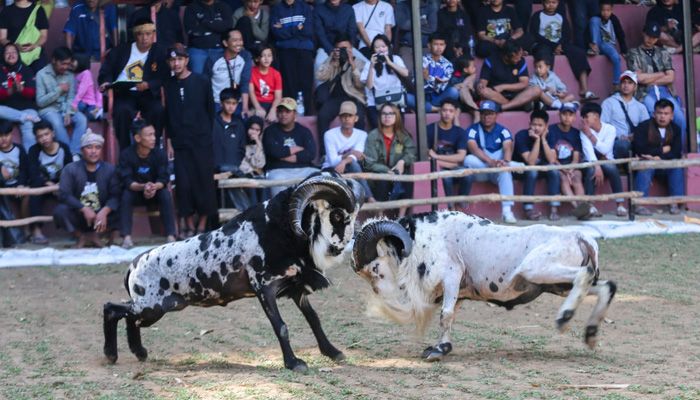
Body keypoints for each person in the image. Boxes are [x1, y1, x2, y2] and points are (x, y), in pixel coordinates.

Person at [164, 43, 217, 237]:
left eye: (179, 59)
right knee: (184, 185)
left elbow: (210, 111)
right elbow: (168, 116)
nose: (176, 63)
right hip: (180, 143)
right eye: (172, 60)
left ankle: (202, 226)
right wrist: (170, 140)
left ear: (186, 60)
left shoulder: (201, 81)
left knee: (203, 182)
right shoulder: (168, 85)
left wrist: (205, 136)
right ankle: (187, 225)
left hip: (201, 142)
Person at [98, 17, 168, 150]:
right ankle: (125, 149)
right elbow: (106, 69)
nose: (144, 38)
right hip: (125, 93)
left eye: (148, 34)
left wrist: (149, 84)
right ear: (135, 35)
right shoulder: (121, 50)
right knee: (122, 111)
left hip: (148, 93)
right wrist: (105, 81)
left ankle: (154, 146)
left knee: (157, 110)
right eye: (140, 34)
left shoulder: (159, 51)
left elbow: (163, 76)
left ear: (153, 35)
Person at [53, 131, 121, 248]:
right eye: (89, 147)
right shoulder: (70, 169)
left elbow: (116, 195)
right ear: (82, 150)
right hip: (79, 215)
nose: (93, 151)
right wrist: (84, 209)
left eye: (97, 147)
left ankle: (100, 236)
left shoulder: (110, 170)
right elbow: (64, 194)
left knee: (123, 202)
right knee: (60, 211)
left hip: (102, 215)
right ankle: (81, 236)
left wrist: (104, 211)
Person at [118, 119, 176, 249]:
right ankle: (126, 237)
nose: (153, 138)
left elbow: (164, 178)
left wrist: (154, 186)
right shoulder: (126, 155)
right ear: (138, 138)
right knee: (126, 196)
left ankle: (171, 235)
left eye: (154, 134)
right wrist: (143, 186)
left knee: (165, 195)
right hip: (136, 192)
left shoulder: (159, 154)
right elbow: (127, 181)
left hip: (155, 191)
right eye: (149, 135)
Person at [626, 21, 686, 143]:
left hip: (665, 91)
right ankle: (657, 150)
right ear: (643, 33)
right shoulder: (633, 53)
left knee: (680, 117)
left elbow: (670, 77)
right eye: (648, 35)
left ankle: (679, 151)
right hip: (644, 93)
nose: (650, 39)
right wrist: (660, 74)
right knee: (653, 115)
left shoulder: (663, 52)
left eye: (654, 37)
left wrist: (649, 79)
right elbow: (638, 78)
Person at [529, 0, 597, 102]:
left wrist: (559, 45)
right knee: (544, 54)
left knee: (579, 53)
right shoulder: (538, 15)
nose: (551, 5)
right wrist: (553, 45)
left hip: (560, 44)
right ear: (543, 3)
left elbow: (567, 34)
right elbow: (534, 35)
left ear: (558, 3)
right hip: (543, 44)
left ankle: (584, 89)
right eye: (548, 2)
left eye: (554, 2)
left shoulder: (560, 17)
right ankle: (546, 91)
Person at [464, 100, 517, 223]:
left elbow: (508, 147)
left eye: (490, 114)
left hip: (497, 170)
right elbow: (473, 147)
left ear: (496, 115)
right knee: (469, 159)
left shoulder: (503, 130)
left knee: (505, 170)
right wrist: (490, 161)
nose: (486, 117)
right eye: (484, 114)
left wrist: (505, 161)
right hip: (482, 169)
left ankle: (507, 211)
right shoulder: (473, 129)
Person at [363, 103, 416, 217]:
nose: (387, 117)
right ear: (380, 116)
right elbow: (369, 162)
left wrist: (402, 161)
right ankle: (380, 215)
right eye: (384, 114)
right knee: (382, 181)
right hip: (379, 176)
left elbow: (412, 154)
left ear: (396, 116)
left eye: (391, 114)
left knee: (408, 179)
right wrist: (386, 171)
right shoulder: (373, 136)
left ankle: (401, 218)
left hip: (398, 176)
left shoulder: (403, 135)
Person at [632, 99, 684, 216]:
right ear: (654, 114)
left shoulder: (676, 129)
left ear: (672, 116)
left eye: (666, 114)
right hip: (647, 163)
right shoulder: (643, 127)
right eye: (659, 113)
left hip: (665, 164)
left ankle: (674, 203)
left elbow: (676, 152)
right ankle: (640, 204)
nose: (662, 117)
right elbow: (640, 149)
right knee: (646, 166)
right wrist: (661, 150)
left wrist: (659, 158)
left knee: (676, 166)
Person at [26, 119, 72, 244]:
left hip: (61, 184)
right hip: (43, 184)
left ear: (53, 133)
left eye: (46, 134)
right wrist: (48, 184)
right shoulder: (34, 151)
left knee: (74, 191)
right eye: (40, 136)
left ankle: (76, 230)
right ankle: (36, 231)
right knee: (34, 190)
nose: (44, 139)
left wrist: (60, 184)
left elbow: (70, 170)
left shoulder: (64, 148)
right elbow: (33, 173)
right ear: (36, 139)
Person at [315, 34, 366, 146]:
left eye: (346, 49)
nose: (344, 51)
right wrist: (332, 61)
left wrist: (353, 66)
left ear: (351, 49)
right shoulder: (333, 60)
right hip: (335, 99)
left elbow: (360, 85)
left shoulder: (359, 63)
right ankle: (325, 154)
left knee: (360, 118)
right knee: (322, 116)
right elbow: (320, 76)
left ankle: (359, 152)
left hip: (353, 98)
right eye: (340, 49)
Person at [35, 46, 87, 157]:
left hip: (65, 108)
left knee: (82, 119)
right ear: (54, 60)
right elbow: (40, 102)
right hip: (48, 110)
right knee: (57, 123)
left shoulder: (69, 74)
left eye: (68, 64)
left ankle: (75, 153)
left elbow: (71, 97)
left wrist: (68, 112)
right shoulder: (41, 74)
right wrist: (59, 90)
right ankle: (68, 155)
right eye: (63, 63)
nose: (66, 67)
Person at [549, 102, 597, 219]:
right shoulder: (552, 130)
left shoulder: (576, 133)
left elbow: (576, 158)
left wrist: (571, 169)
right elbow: (553, 157)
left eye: (570, 115)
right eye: (564, 114)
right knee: (564, 179)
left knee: (576, 177)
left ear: (575, 117)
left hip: (572, 165)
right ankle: (577, 208)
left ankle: (582, 205)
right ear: (559, 115)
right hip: (557, 164)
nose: (567, 117)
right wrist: (564, 170)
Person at [263, 97, 319, 196]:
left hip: (303, 169)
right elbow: (273, 152)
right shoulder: (270, 131)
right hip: (278, 171)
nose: (283, 115)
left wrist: (282, 155)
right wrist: (297, 149)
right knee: (276, 180)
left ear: (295, 114)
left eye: (287, 111)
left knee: (319, 175)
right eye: (280, 111)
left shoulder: (304, 131)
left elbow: (311, 154)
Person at [579, 102, 627, 217]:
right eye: (583, 117)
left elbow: (605, 150)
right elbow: (589, 152)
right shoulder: (583, 132)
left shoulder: (610, 129)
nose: (584, 120)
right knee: (591, 171)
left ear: (596, 116)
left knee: (611, 168)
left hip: (607, 161)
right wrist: (596, 166)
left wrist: (590, 134)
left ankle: (620, 205)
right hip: (590, 162)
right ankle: (590, 206)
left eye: (587, 116)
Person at [513, 110, 561, 221]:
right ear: (529, 124)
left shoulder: (550, 135)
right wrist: (537, 140)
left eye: (540, 125)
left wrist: (543, 139)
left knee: (553, 169)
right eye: (534, 124)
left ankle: (554, 209)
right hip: (521, 169)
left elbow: (552, 159)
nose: (537, 128)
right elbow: (530, 161)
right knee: (532, 170)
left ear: (546, 126)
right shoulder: (521, 135)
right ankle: (528, 209)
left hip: (540, 168)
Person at [322, 101, 374, 202]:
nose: (346, 119)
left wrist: (344, 160)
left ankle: (368, 198)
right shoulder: (329, 134)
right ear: (339, 118)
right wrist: (350, 153)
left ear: (356, 118)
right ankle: (370, 198)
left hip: (352, 168)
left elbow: (357, 155)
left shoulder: (362, 134)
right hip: (332, 169)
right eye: (343, 116)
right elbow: (332, 162)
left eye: (350, 116)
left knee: (354, 164)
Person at [270, 0, 314, 114]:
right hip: (286, 50)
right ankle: (290, 113)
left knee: (306, 84)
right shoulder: (276, 9)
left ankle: (308, 112)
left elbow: (308, 31)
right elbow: (277, 33)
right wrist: (297, 28)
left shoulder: (305, 7)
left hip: (304, 48)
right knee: (289, 83)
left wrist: (285, 28)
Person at [427, 98, 471, 211]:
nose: (447, 114)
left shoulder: (460, 132)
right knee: (446, 178)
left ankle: (461, 201)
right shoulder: (430, 129)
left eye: (451, 111)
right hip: (437, 168)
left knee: (468, 174)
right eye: (445, 110)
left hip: (449, 165)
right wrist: (450, 163)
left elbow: (461, 157)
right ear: (439, 111)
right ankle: (450, 207)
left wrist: (437, 157)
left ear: (456, 113)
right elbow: (427, 157)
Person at [212, 87, 251, 210]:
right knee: (216, 205)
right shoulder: (212, 121)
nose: (231, 107)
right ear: (221, 103)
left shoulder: (239, 124)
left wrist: (234, 166)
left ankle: (247, 215)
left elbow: (241, 148)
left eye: (234, 103)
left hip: (233, 170)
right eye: (228, 103)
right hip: (214, 171)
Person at [361, 34, 410, 130]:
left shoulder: (396, 59)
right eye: (377, 47)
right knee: (378, 130)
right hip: (376, 103)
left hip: (395, 101)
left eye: (383, 46)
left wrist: (390, 63)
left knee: (399, 129)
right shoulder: (368, 64)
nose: (381, 50)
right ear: (373, 50)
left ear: (389, 47)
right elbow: (369, 86)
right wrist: (371, 66)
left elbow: (405, 73)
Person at [477, 40, 542, 112]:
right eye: (517, 56)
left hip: (517, 95)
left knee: (536, 90)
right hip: (497, 96)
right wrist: (481, 85)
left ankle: (504, 107)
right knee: (484, 91)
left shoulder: (521, 61)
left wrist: (503, 87)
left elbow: (524, 83)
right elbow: (483, 82)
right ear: (509, 55)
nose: (520, 58)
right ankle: (516, 106)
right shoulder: (490, 60)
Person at [0, 43, 40, 150]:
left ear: (18, 54)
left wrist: (22, 90)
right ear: (2, 56)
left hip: (27, 108)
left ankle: (30, 160)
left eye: (13, 52)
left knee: (28, 128)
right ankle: (23, 116)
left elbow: (33, 93)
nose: (11, 55)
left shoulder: (26, 70)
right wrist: (9, 92)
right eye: (7, 52)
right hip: (7, 111)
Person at [601, 71, 649, 159]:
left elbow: (646, 128)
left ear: (635, 87)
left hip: (635, 142)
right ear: (620, 85)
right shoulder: (609, 103)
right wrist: (617, 137)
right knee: (623, 145)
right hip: (615, 142)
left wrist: (634, 136)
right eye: (624, 82)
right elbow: (603, 126)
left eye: (630, 83)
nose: (626, 85)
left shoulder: (641, 107)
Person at [407, 33, 459, 113]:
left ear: (445, 46)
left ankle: (426, 108)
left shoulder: (448, 65)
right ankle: (436, 109)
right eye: (436, 44)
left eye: (441, 44)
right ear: (429, 45)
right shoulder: (421, 60)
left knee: (454, 92)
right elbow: (415, 83)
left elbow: (441, 88)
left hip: (437, 98)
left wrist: (428, 79)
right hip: (421, 97)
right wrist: (435, 82)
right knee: (407, 98)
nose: (439, 47)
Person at [209, 28, 252, 114]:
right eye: (235, 40)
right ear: (225, 43)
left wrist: (245, 108)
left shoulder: (245, 56)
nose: (239, 43)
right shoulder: (213, 58)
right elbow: (206, 82)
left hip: (236, 102)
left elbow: (245, 82)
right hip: (217, 102)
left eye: (240, 40)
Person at [183, 0, 233, 74]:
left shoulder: (223, 6)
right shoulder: (191, 8)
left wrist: (204, 22)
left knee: (221, 77)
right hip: (197, 50)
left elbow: (228, 26)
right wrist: (216, 26)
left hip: (219, 49)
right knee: (198, 78)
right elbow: (190, 30)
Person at [588, 0, 628, 92]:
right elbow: (587, 33)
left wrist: (624, 50)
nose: (605, 13)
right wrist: (590, 43)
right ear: (600, 10)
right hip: (597, 43)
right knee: (594, 20)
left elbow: (620, 34)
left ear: (612, 10)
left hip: (608, 45)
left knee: (616, 58)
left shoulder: (614, 19)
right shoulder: (596, 18)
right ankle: (594, 48)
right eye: (603, 10)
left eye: (608, 10)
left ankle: (616, 84)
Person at [0, 119, 28, 246]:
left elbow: (24, 170)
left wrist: (21, 184)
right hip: (2, 187)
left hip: (17, 185)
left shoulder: (19, 149)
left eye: (6, 135)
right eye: (0, 136)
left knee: (27, 196)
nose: (3, 139)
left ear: (12, 134)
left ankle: (26, 229)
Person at [0, 0, 49, 72]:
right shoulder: (6, 11)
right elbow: (2, 38)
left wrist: (34, 46)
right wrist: (15, 47)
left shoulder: (39, 10)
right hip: (12, 55)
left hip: (35, 55)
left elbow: (43, 36)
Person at [313, 0, 358, 70]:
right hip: (326, 47)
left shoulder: (348, 9)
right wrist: (331, 51)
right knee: (318, 64)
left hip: (346, 46)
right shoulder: (318, 10)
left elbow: (352, 30)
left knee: (365, 63)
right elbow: (320, 34)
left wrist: (349, 46)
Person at [248, 44, 282, 122]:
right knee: (253, 117)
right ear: (257, 59)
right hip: (257, 102)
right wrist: (258, 108)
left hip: (272, 103)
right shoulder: (251, 72)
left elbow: (278, 97)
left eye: (269, 56)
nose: (267, 59)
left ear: (272, 58)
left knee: (277, 119)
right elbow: (251, 93)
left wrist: (273, 111)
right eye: (263, 56)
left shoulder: (276, 74)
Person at [239, 115, 266, 203]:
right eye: (252, 128)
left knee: (264, 186)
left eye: (257, 130)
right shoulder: (241, 143)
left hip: (258, 176)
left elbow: (260, 164)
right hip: (246, 175)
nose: (254, 132)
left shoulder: (260, 144)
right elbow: (253, 164)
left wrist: (258, 144)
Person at [71, 54, 102, 121]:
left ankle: (99, 114)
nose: (71, 63)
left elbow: (81, 91)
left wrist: (74, 103)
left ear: (80, 62)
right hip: (81, 102)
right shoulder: (75, 74)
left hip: (89, 103)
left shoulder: (86, 73)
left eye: (73, 61)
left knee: (89, 115)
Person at [450, 56, 479, 122]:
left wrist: (471, 89)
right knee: (456, 115)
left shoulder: (473, 78)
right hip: (459, 104)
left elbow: (476, 96)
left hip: (470, 104)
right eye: (473, 66)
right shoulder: (455, 78)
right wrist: (460, 86)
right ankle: (457, 131)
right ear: (465, 69)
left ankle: (475, 131)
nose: (475, 68)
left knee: (477, 113)